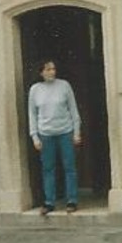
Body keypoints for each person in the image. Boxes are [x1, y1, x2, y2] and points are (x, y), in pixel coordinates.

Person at [28, 59, 82, 214]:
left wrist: (76, 132)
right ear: (41, 72)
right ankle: (49, 202)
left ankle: (71, 200)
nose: (52, 72)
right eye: (48, 69)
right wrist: (35, 137)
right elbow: (32, 114)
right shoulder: (35, 89)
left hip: (65, 131)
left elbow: (73, 109)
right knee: (48, 168)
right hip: (45, 134)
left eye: (53, 69)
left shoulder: (64, 86)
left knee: (69, 167)